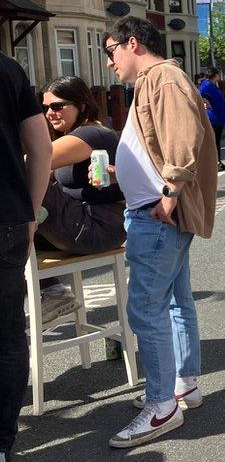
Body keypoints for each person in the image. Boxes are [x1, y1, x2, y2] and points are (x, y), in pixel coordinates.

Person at [101, 16, 217, 448]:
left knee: (146, 309)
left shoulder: (162, 77)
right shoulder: (155, 79)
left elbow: (184, 139)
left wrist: (168, 192)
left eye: (111, 50)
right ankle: (182, 386)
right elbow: (158, 144)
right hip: (157, 209)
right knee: (174, 302)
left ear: (132, 43)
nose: (110, 61)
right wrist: (126, 170)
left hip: (157, 215)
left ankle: (161, 406)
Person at [35, 76, 126, 323]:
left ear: (82, 105)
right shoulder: (73, 135)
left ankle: (52, 292)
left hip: (99, 226)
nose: (50, 113)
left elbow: (31, 162)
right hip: (81, 223)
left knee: (24, 179)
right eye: (45, 107)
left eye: (57, 106)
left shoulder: (91, 134)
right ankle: (51, 291)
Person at [0, 51, 52, 462]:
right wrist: (30, 213)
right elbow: (40, 148)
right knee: (6, 335)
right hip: (7, 219)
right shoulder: (8, 68)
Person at [198, 67, 225, 171]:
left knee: (216, 141)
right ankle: (215, 163)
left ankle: (218, 162)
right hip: (213, 117)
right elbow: (198, 94)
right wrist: (205, 102)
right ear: (216, 75)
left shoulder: (212, 84)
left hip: (218, 116)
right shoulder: (206, 85)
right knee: (214, 141)